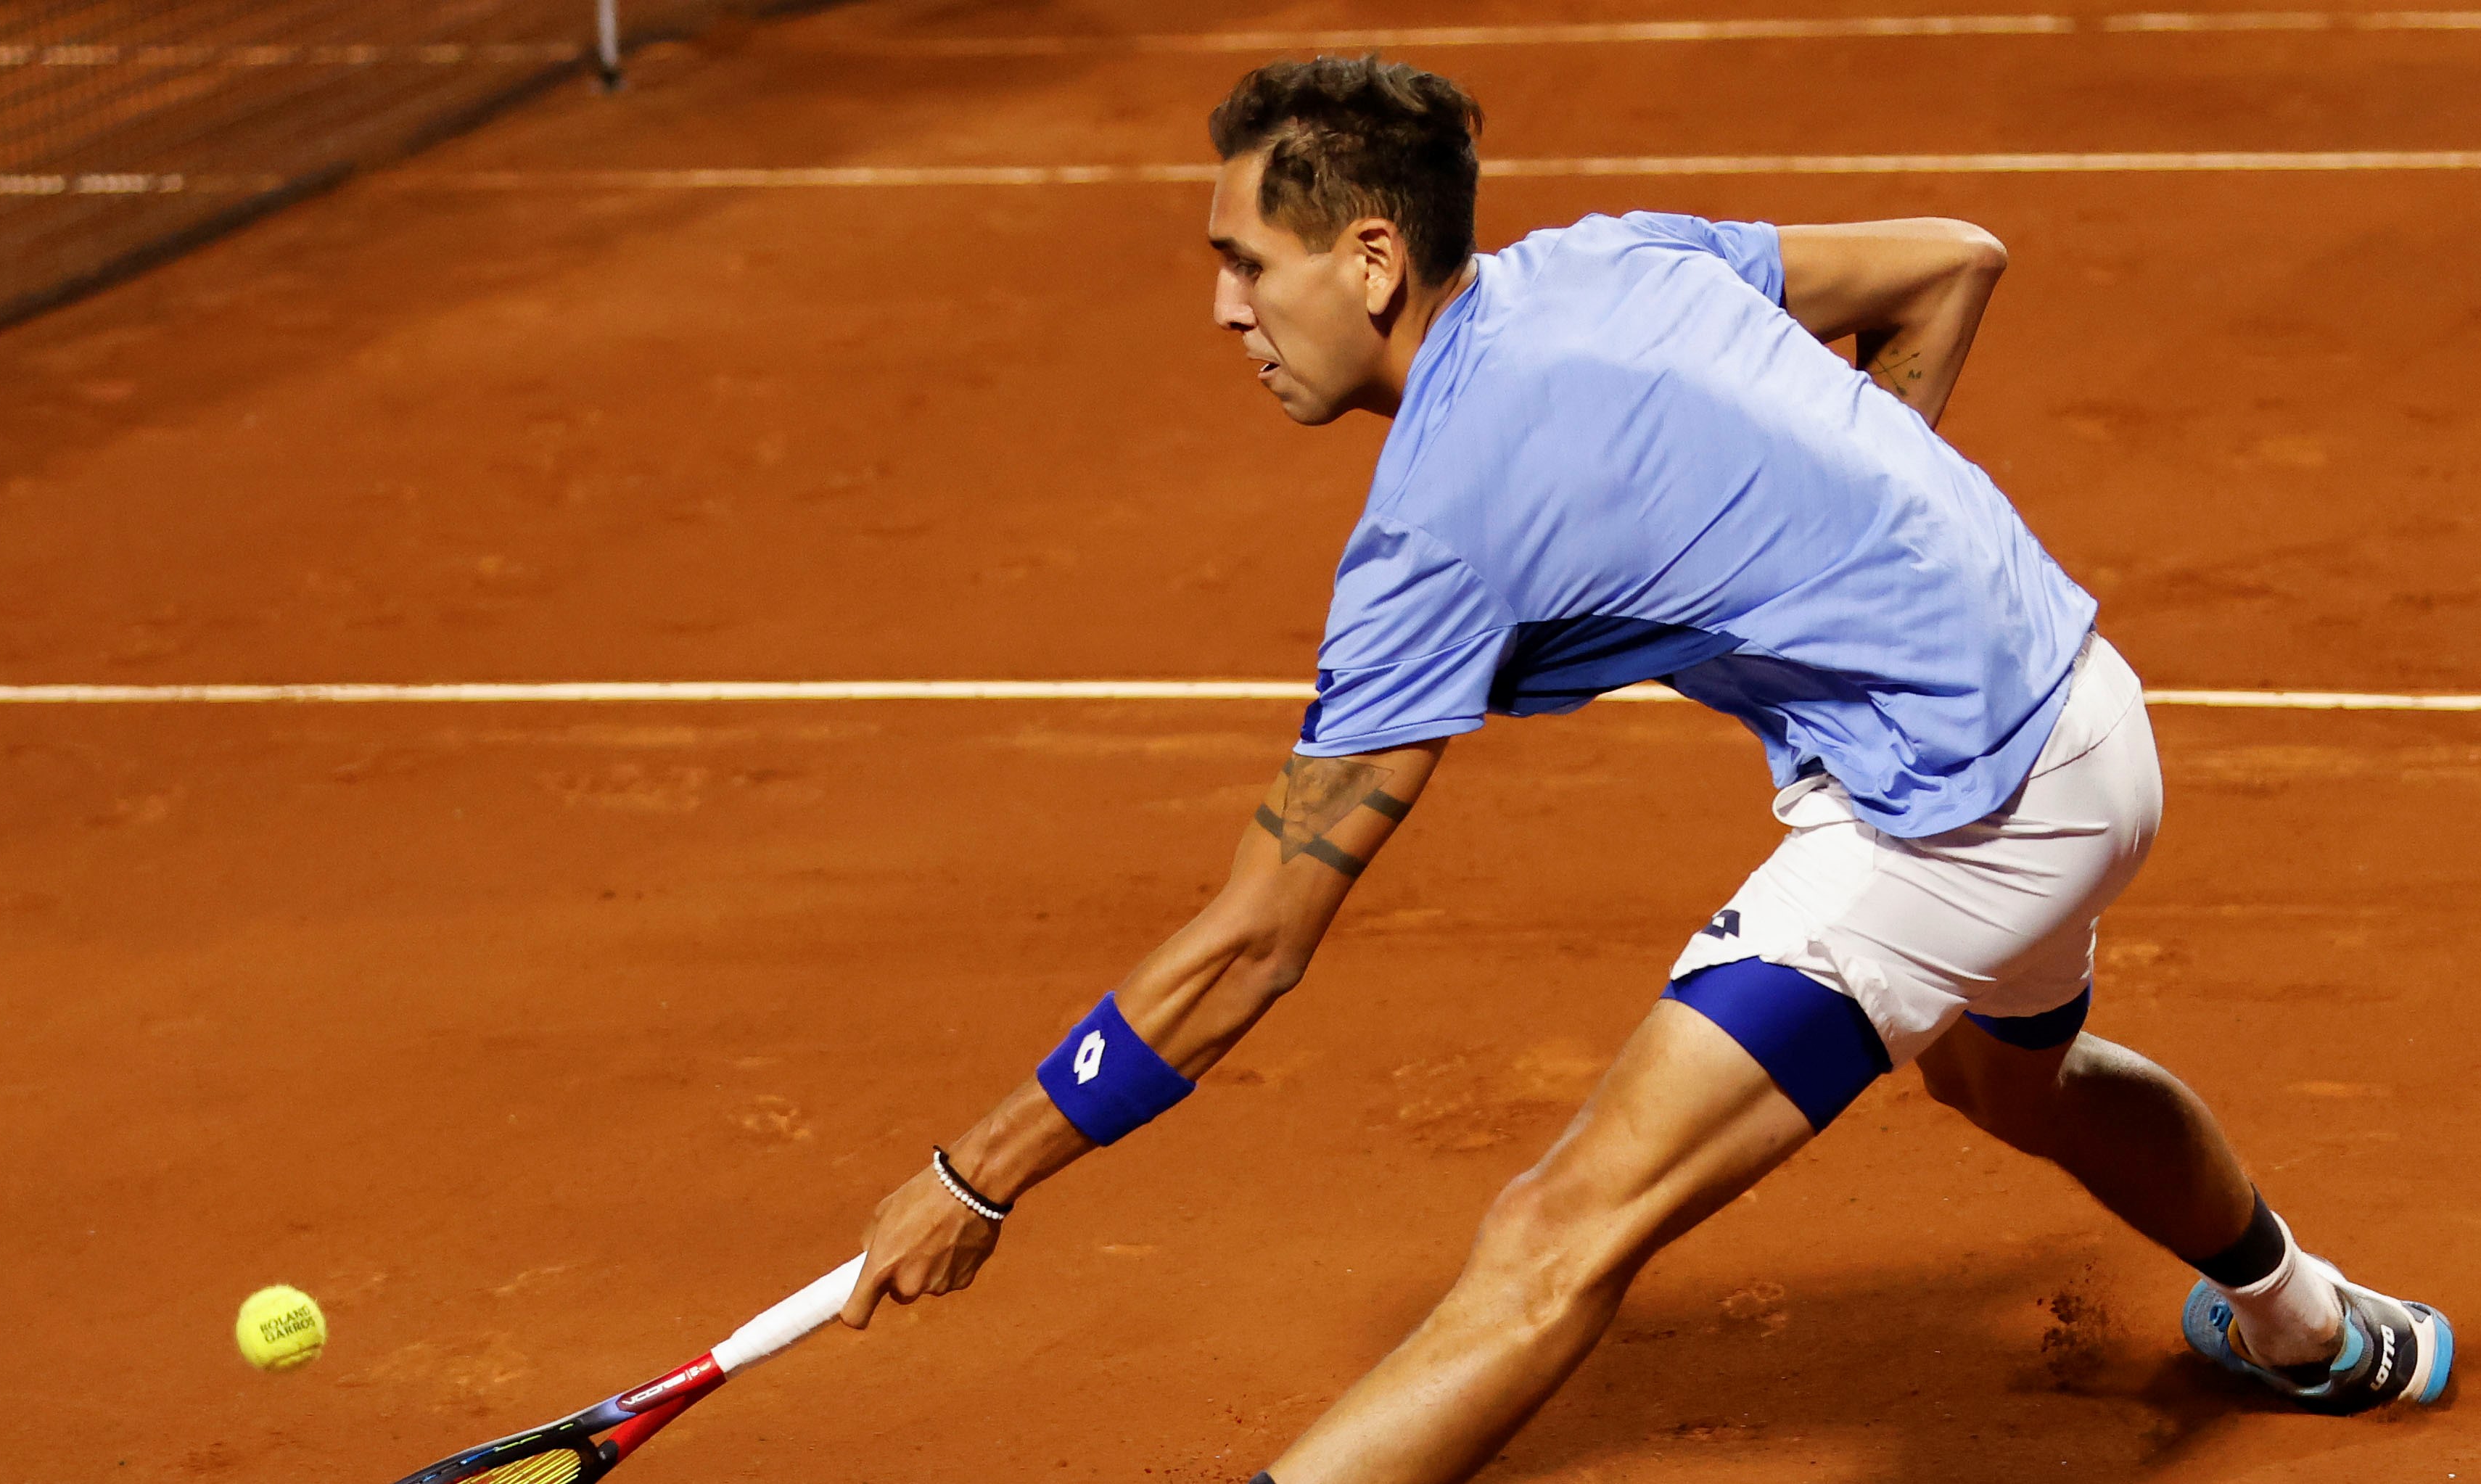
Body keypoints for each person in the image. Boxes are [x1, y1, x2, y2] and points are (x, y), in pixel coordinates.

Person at [836, 54, 2453, 1483]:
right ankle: (2310, 1325)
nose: (1224, 311)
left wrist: (977, 1176)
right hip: (2089, 714)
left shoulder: (1437, 525)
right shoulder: (1612, 258)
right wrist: (1873, 530)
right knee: (2004, 1078)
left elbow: (1254, 941)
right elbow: (1950, 262)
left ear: (1372, 259)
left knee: (1551, 1242)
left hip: (1954, 815)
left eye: (1245, 264)